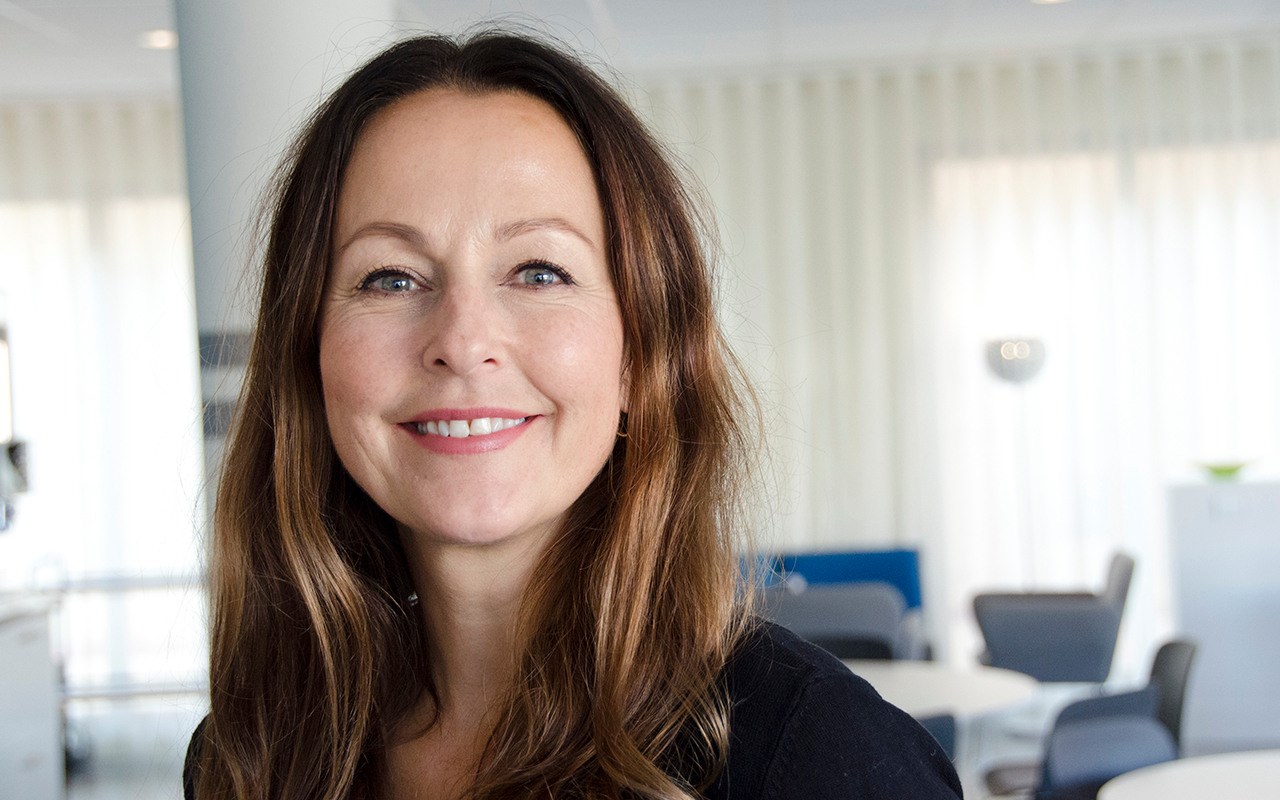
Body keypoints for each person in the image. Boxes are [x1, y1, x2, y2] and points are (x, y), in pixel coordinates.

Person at [184, 30, 962, 800]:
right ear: (309, 353)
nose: (462, 341)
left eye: (539, 270)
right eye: (390, 278)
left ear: (639, 354)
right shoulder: (248, 752)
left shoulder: (823, 757)